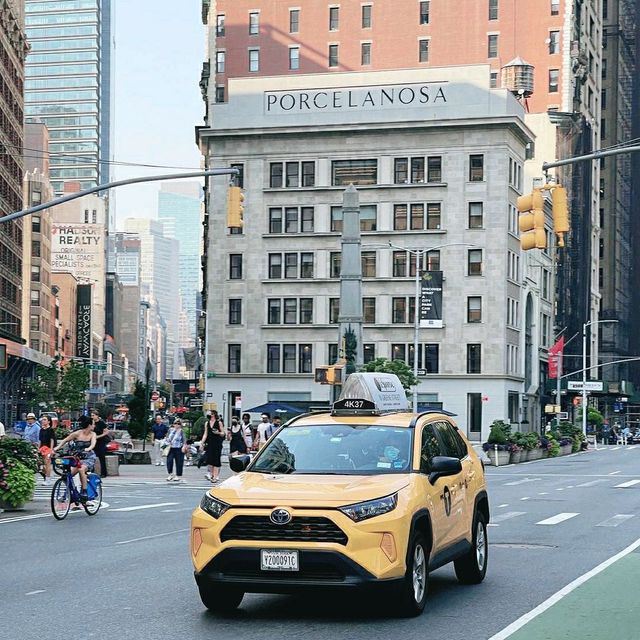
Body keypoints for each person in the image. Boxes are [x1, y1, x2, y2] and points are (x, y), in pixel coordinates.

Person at [52, 415, 97, 502]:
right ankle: (67, 494)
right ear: (89, 425)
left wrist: (88, 449)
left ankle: (84, 492)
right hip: (77, 457)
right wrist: (56, 449)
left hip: (88, 457)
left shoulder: (93, 434)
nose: (94, 426)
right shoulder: (77, 433)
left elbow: (93, 444)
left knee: (81, 470)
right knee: (68, 476)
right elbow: (65, 440)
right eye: (93, 424)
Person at [201, 410, 225, 482]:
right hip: (210, 443)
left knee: (216, 459)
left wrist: (218, 432)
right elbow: (206, 433)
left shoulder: (219, 423)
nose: (208, 415)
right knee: (210, 459)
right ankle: (211, 475)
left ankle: (215, 476)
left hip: (217, 443)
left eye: (210, 413)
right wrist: (202, 442)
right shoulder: (207, 423)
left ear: (213, 414)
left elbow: (223, 433)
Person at [90, 409, 110, 478]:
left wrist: (99, 436)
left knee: (102, 457)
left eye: (93, 415)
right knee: (92, 456)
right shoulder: (91, 423)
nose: (92, 417)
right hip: (93, 442)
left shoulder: (101, 423)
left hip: (101, 441)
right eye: (91, 415)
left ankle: (103, 473)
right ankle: (91, 471)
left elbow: (106, 432)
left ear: (97, 416)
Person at [38, 415, 56, 485]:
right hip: (42, 447)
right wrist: (38, 448)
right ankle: (46, 477)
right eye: (42, 420)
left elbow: (52, 440)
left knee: (47, 464)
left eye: (45, 420)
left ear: (48, 421)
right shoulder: (41, 429)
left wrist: (51, 450)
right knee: (44, 464)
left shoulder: (50, 430)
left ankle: (48, 479)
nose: (43, 421)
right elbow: (40, 440)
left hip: (48, 448)